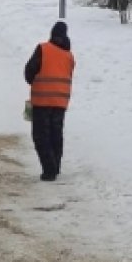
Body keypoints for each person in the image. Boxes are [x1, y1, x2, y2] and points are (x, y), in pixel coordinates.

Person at [24, 20, 75, 181]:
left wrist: (34, 80)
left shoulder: (43, 49)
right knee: (56, 134)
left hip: (42, 100)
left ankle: (49, 170)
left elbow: (29, 71)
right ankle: (55, 166)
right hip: (60, 102)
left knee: (41, 135)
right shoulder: (69, 55)